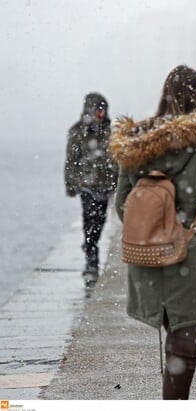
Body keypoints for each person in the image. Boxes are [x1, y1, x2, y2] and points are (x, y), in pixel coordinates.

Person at [109, 65, 196, 400]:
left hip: (149, 256)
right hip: (194, 252)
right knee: (185, 338)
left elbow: (122, 203)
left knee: (176, 332)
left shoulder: (138, 140)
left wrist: (153, 229)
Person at [64, 92, 117, 288]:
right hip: (86, 185)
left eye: (103, 110)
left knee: (100, 221)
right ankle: (91, 259)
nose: (100, 114)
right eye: (97, 109)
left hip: (105, 185)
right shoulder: (77, 132)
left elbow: (116, 157)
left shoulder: (109, 131)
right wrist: (71, 184)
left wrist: (118, 178)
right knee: (89, 220)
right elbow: (71, 160)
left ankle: (90, 245)